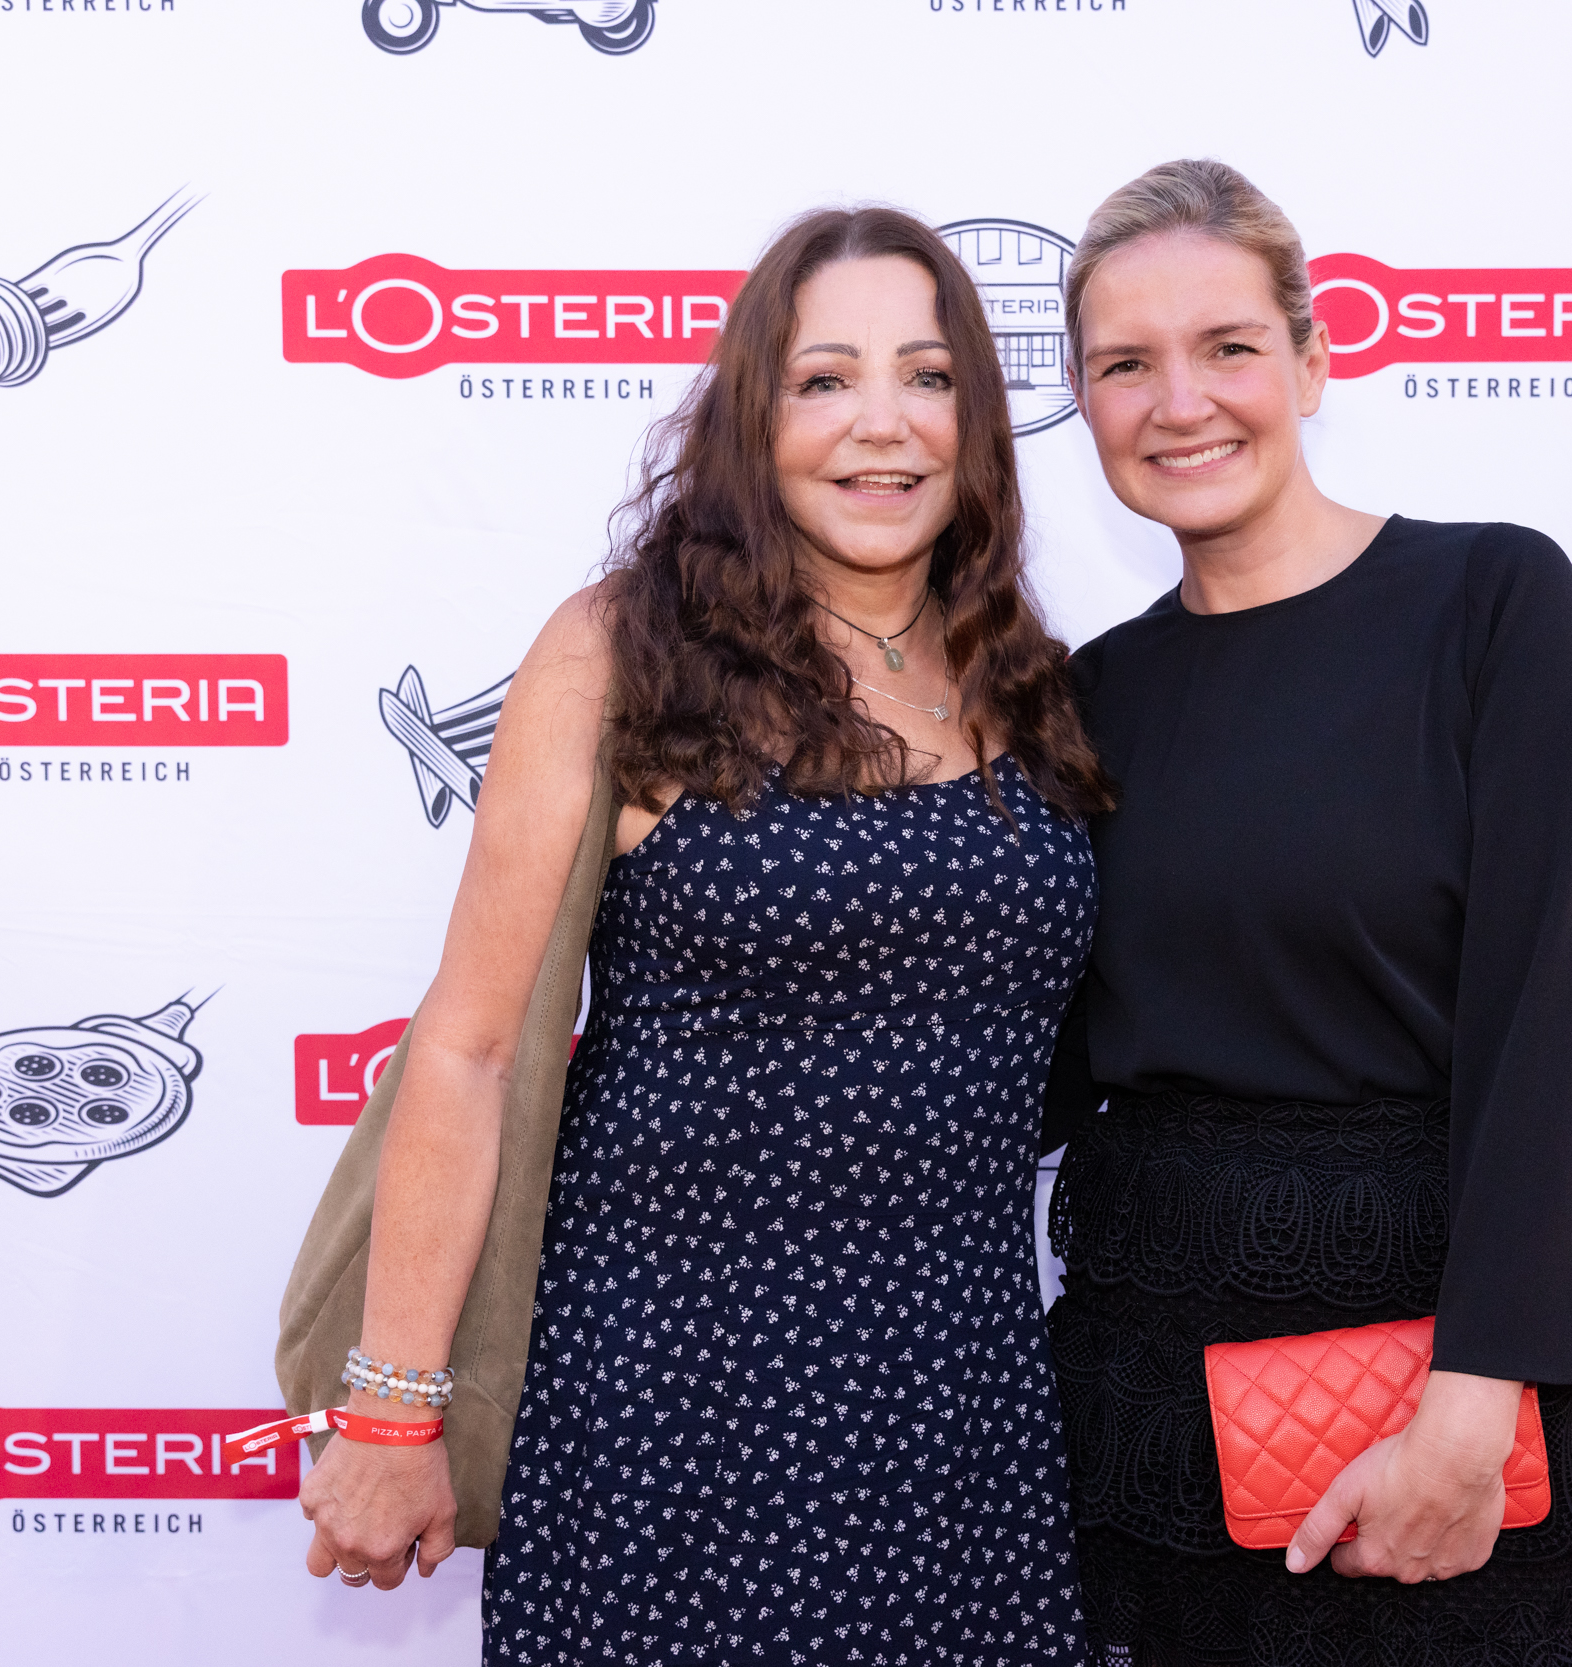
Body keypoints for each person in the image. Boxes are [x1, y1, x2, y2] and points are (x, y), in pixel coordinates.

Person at [297, 205, 1113, 1667]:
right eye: (824, 380)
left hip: (964, 1428)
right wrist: (392, 1411)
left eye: (928, 378)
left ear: (978, 423)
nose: (883, 424)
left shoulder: (1028, 680)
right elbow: (473, 1047)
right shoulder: (623, 650)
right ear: (754, 417)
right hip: (670, 1420)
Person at [1040, 160, 1572, 1665]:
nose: (1180, 402)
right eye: (1125, 365)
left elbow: (1560, 1024)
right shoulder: (1086, 699)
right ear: (1083, 403)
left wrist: (1474, 1401)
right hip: (1149, 1381)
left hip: (1434, 1381)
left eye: (1229, 347)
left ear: (1313, 364)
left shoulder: (1491, 604)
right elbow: (1022, 1061)